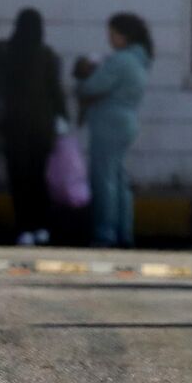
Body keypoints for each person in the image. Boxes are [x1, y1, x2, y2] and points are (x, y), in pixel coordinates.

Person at [0, 8, 68, 246]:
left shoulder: (4, 50)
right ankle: (42, 227)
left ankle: (25, 228)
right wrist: (63, 118)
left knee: (19, 178)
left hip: (14, 125)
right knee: (38, 177)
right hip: (42, 127)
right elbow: (56, 92)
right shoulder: (46, 55)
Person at [74, 13, 152, 249]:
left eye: (112, 34)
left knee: (104, 179)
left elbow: (91, 87)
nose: (109, 40)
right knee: (119, 180)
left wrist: (84, 73)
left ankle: (105, 232)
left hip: (109, 123)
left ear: (124, 35)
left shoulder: (121, 61)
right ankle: (124, 232)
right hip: (126, 121)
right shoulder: (140, 60)